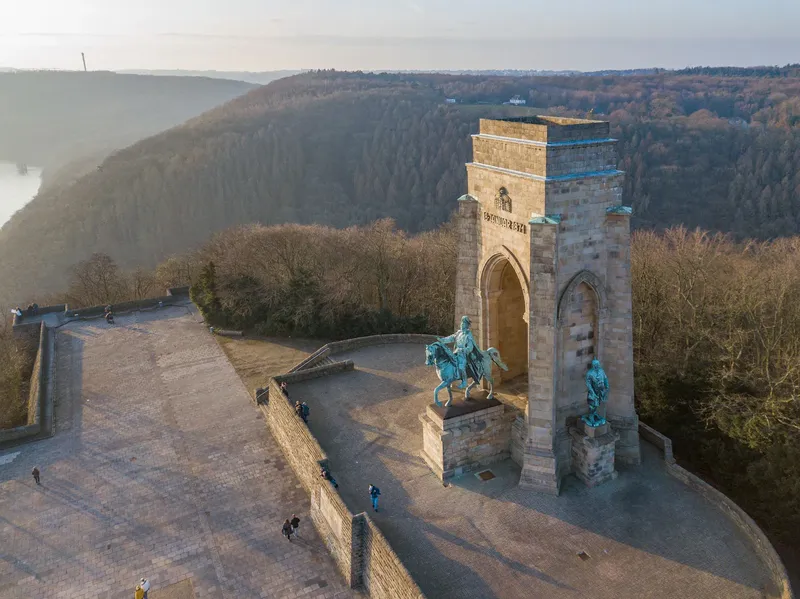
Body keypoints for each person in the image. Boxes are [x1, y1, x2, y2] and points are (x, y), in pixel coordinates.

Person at [438, 315, 479, 389]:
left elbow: (470, 347)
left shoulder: (468, 335)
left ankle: (464, 381)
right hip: (456, 352)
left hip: (463, 355)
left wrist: (463, 350)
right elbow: (451, 338)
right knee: (449, 362)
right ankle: (450, 378)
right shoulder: (459, 333)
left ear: (467, 325)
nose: (462, 324)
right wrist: (443, 340)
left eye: (464, 323)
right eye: (461, 323)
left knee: (461, 366)